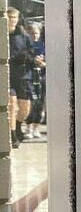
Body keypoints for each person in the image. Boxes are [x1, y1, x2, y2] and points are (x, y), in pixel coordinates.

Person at [5, 8, 42, 148]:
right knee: (12, 104)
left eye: (14, 17)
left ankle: (18, 126)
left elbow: (31, 52)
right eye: (9, 17)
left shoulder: (23, 35)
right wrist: (15, 59)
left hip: (24, 77)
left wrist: (34, 59)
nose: (12, 20)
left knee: (25, 109)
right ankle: (12, 135)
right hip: (8, 76)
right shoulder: (3, 35)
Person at [26, 22, 46, 139]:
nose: (34, 35)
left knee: (39, 103)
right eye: (32, 33)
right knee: (30, 103)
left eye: (36, 33)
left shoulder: (44, 45)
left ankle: (36, 128)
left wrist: (43, 63)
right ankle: (28, 128)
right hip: (29, 76)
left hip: (41, 76)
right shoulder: (26, 45)